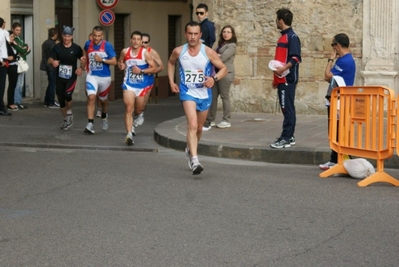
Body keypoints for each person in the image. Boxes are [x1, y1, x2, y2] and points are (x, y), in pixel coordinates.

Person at [168, 21, 227, 175]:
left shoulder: (207, 52)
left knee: (199, 128)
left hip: (204, 94)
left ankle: (190, 148)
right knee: (192, 125)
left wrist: (213, 79)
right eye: (190, 33)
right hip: (187, 92)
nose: (193, 37)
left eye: (196, 34)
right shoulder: (179, 51)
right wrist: (171, 82)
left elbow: (224, 69)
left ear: (200, 35)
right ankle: (194, 160)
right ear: (185, 34)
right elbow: (171, 63)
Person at [319, 33, 356, 170]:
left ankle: (336, 160)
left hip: (340, 100)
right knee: (338, 130)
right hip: (342, 100)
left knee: (336, 130)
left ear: (338, 46)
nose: (332, 48)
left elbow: (327, 76)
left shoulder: (343, 61)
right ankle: (337, 159)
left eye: (332, 45)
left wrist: (330, 59)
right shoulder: (348, 59)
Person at [118, 31, 158, 145]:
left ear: (141, 42)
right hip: (129, 84)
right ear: (130, 40)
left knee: (138, 109)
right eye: (134, 39)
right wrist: (121, 65)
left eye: (138, 39)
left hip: (141, 86)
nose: (136, 41)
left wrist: (141, 71)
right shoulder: (125, 51)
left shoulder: (145, 53)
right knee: (128, 107)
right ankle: (129, 134)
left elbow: (154, 68)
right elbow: (120, 61)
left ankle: (138, 116)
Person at [270, 8, 301, 149]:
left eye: (277, 19)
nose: (276, 22)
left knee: (287, 108)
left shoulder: (292, 37)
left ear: (281, 21)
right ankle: (290, 136)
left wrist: (282, 70)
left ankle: (286, 137)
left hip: (287, 79)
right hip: (281, 78)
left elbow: (295, 58)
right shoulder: (284, 36)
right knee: (286, 108)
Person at [48, 26, 84, 130]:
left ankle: (69, 113)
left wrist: (81, 68)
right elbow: (49, 59)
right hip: (60, 76)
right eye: (64, 36)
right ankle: (65, 119)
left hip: (71, 76)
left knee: (67, 94)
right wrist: (53, 62)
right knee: (61, 99)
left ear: (72, 36)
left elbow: (83, 59)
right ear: (62, 35)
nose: (66, 38)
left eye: (68, 36)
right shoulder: (57, 47)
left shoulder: (76, 48)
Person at [82, 26, 117, 134]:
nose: (96, 38)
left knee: (103, 101)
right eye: (94, 36)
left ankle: (104, 115)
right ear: (92, 35)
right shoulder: (88, 44)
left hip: (104, 77)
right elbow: (85, 51)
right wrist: (84, 59)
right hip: (92, 75)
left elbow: (114, 61)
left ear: (102, 36)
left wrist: (101, 60)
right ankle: (90, 123)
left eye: (98, 36)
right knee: (91, 97)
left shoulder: (107, 46)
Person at [203, 25, 237, 131]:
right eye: (224, 32)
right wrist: (215, 55)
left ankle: (226, 120)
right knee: (213, 97)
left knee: (224, 96)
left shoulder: (232, 46)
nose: (226, 34)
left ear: (232, 34)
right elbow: (212, 54)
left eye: (228, 32)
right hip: (215, 74)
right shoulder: (220, 44)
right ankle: (210, 119)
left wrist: (215, 55)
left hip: (226, 73)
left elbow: (222, 58)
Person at [132, 32, 164, 132]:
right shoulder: (133, 51)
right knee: (131, 104)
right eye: (142, 42)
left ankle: (139, 114)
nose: (143, 44)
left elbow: (161, 67)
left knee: (142, 105)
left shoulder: (152, 52)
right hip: (134, 81)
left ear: (149, 43)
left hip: (147, 81)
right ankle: (131, 126)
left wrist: (151, 71)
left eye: (146, 42)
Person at [12, 22, 31, 110]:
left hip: (22, 62)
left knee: (21, 84)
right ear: (13, 29)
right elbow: (21, 49)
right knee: (18, 84)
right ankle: (16, 101)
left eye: (19, 30)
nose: (18, 32)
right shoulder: (13, 38)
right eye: (17, 30)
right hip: (18, 63)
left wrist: (25, 49)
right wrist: (25, 49)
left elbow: (27, 48)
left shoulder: (19, 38)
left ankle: (19, 101)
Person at [41, 27, 59, 108]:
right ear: (55, 35)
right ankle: (51, 102)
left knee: (50, 83)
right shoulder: (53, 44)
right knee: (52, 84)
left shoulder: (45, 43)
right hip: (52, 66)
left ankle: (46, 101)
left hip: (46, 65)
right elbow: (54, 55)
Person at [0, 17, 11, 116]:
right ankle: (1, 108)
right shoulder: (2, 33)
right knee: (1, 86)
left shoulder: (3, 33)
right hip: (1, 62)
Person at [6, 31, 19, 111]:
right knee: (9, 85)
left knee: (13, 84)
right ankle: (10, 103)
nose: (12, 38)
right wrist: (12, 57)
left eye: (13, 37)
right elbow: (7, 56)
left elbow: (17, 54)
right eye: (11, 37)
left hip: (14, 65)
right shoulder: (5, 45)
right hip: (8, 65)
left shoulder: (14, 45)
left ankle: (11, 102)